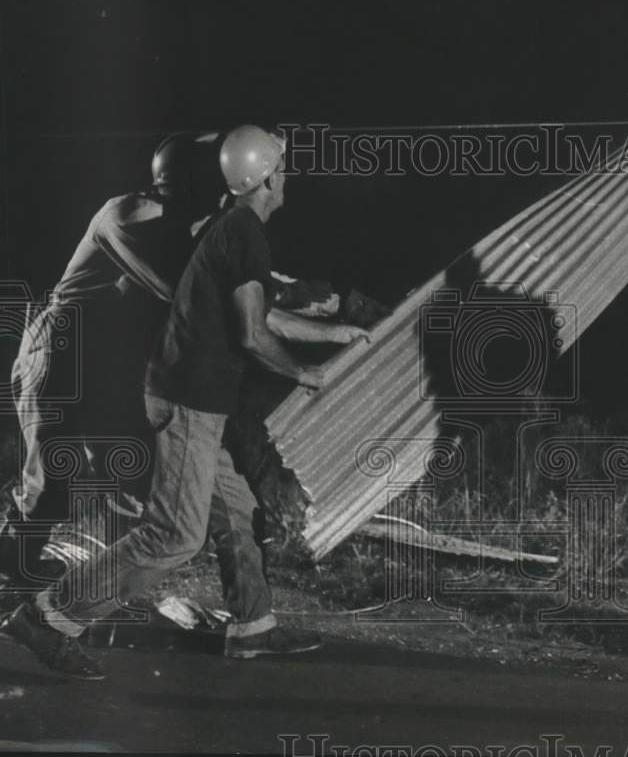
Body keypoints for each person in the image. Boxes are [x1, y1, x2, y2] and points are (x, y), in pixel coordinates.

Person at [3, 125, 371, 679]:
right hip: (60, 356)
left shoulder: (200, 227)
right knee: (51, 491)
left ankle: (252, 624)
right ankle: (33, 605)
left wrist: (320, 316)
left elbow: (240, 293)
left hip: (128, 370)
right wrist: (298, 309)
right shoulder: (128, 217)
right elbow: (223, 302)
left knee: (230, 502)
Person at [1, 133, 224, 598]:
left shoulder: (174, 220)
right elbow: (175, 289)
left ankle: (23, 570)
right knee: (51, 468)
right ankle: (12, 576)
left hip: (94, 353)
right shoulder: (127, 214)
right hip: (60, 341)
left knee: (98, 466)